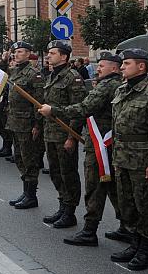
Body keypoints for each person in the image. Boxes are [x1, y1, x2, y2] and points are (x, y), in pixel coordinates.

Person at [40, 52, 125, 246]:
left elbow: (83, 108)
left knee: (95, 187)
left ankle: (89, 231)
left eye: (102, 66)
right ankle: (126, 226)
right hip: (106, 142)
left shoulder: (107, 86)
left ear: (113, 68)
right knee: (112, 187)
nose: (98, 69)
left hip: (100, 144)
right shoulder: (113, 84)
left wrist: (54, 111)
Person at [109, 49, 148, 271]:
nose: (122, 67)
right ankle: (134, 243)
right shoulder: (123, 90)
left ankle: (146, 250)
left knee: (145, 206)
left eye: (126, 63)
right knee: (127, 204)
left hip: (142, 160)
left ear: (141, 66)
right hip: (122, 157)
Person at [39, 40, 86, 227]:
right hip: (50, 133)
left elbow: (78, 109)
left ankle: (70, 212)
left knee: (68, 174)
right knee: (55, 173)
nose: (49, 55)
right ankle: (62, 205)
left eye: (53, 53)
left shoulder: (72, 77)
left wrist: (71, 137)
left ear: (64, 56)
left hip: (64, 134)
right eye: (49, 53)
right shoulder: (52, 76)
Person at [0, 42, 43, 209]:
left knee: (29, 159)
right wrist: (3, 60)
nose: (16, 55)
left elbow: (39, 102)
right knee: (19, 158)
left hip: (27, 124)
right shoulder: (16, 71)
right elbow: (1, 76)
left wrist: (37, 125)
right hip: (15, 122)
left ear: (28, 53)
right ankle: (26, 192)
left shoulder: (33, 74)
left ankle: (31, 196)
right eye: (15, 52)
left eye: (20, 52)